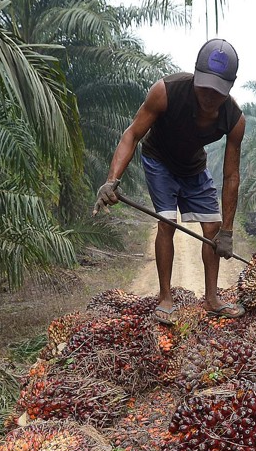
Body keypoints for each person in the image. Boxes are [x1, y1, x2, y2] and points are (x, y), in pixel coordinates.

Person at [95, 38, 247, 324]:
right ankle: (165, 297)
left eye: (217, 91)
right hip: (159, 161)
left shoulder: (234, 119)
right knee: (167, 221)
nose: (208, 95)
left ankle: (212, 299)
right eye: (204, 86)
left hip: (193, 166)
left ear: (229, 87)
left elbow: (231, 176)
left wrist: (227, 231)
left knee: (212, 228)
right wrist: (111, 179)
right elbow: (132, 135)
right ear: (195, 74)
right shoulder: (166, 91)